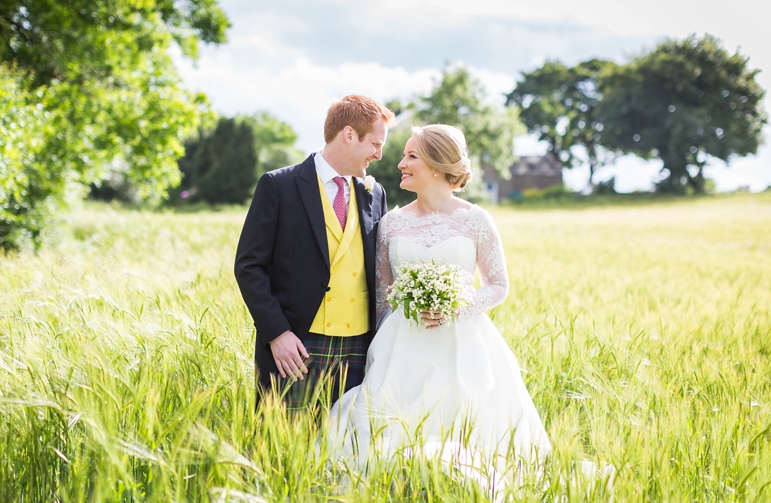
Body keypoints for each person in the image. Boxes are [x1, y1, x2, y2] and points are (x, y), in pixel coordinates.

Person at [329, 124, 551, 477]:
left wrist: (457, 308)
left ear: (436, 165)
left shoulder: (476, 219)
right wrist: (375, 352)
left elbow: (498, 284)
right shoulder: (391, 223)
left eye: (411, 155)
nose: (400, 162)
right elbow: (384, 295)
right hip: (401, 345)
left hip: (463, 343)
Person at [234, 95, 394, 410]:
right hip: (297, 345)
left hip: (361, 348)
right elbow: (249, 267)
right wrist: (277, 333)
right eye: (375, 144)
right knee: (280, 450)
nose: (378, 155)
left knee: (346, 451)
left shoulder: (374, 192)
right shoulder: (279, 185)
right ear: (349, 135)